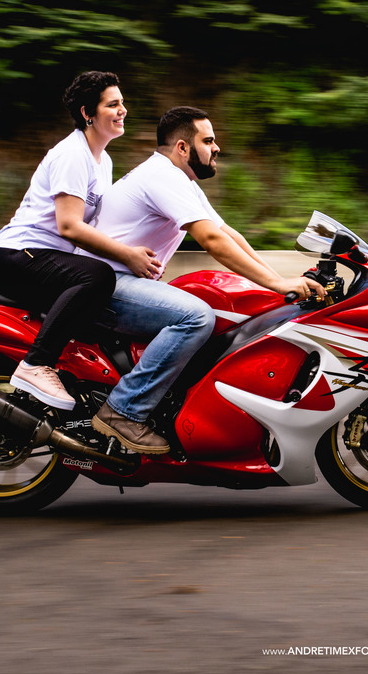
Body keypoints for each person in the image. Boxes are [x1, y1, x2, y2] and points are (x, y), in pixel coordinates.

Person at [81, 106, 325, 453]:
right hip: (107, 284)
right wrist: (277, 285)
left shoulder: (180, 181)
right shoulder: (162, 176)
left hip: (118, 280)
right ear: (182, 147)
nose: (217, 148)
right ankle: (122, 412)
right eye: (208, 140)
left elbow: (227, 233)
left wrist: (278, 281)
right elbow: (210, 242)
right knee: (195, 317)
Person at [0, 71, 162, 410]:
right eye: (113, 104)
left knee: (99, 286)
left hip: (42, 257)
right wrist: (126, 256)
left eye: (123, 102)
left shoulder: (103, 160)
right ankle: (35, 365)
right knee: (97, 276)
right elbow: (70, 226)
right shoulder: (72, 155)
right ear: (87, 113)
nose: (123, 110)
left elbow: (96, 228)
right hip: (18, 255)